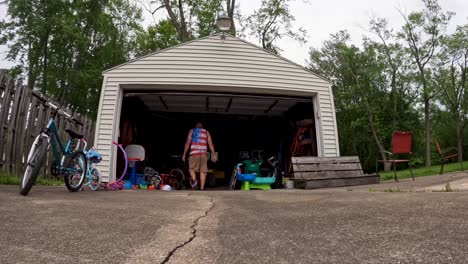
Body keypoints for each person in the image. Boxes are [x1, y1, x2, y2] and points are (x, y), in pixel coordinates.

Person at [182, 122, 217, 190]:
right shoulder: (206, 132)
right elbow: (211, 144)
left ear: (196, 126)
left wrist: (184, 154)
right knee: (203, 171)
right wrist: (214, 155)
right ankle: (201, 188)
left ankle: (195, 180)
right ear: (202, 127)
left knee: (191, 169)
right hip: (203, 154)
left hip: (194, 153)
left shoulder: (192, 131)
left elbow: (187, 143)